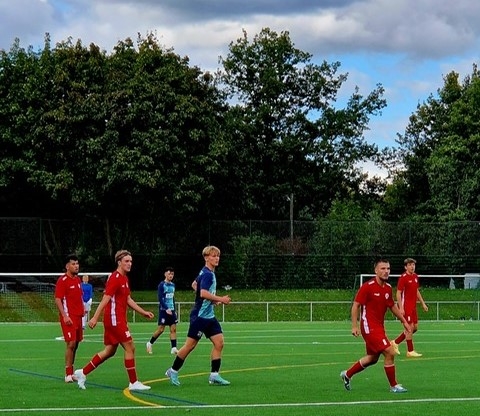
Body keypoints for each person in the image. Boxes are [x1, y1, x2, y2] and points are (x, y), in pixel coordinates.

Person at [74, 250, 155, 391]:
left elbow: (128, 299)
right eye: (126, 261)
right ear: (119, 262)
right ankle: (133, 382)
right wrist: (95, 317)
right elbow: (105, 298)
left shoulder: (124, 278)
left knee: (109, 351)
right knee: (130, 346)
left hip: (118, 319)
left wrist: (143, 312)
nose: (130, 264)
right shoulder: (115, 278)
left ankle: (83, 372)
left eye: (131, 261)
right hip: (114, 320)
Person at [340, 258, 412, 393]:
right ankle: (394, 386)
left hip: (379, 327)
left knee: (372, 358)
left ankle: (347, 375)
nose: (386, 271)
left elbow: (392, 306)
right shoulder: (368, 286)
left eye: (388, 269)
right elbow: (356, 306)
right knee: (390, 351)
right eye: (383, 268)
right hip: (369, 327)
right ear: (376, 270)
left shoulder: (388, 288)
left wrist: (404, 321)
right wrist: (354, 326)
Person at [165, 245, 231, 386]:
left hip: (209, 316)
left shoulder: (204, 272)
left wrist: (211, 301)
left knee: (219, 342)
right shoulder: (207, 274)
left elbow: (194, 284)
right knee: (190, 346)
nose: (217, 258)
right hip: (199, 316)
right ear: (206, 258)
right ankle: (173, 370)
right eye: (213, 256)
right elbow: (202, 292)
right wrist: (220, 299)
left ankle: (214, 375)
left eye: (218, 256)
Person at [54, 254, 84, 383]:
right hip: (69, 317)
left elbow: (78, 297)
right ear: (67, 266)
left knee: (76, 344)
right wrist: (65, 316)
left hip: (78, 317)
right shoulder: (62, 281)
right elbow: (58, 299)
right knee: (71, 343)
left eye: (77, 264)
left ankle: (71, 372)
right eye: (73, 264)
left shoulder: (77, 280)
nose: (76, 266)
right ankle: (67, 374)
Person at [390, 258, 428, 358]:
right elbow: (398, 293)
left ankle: (395, 342)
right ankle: (410, 351)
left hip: (413, 306)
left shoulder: (415, 276)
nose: (412, 267)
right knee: (409, 328)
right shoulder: (403, 278)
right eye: (410, 265)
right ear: (405, 267)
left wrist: (423, 303)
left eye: (413, 265)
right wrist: (401, 308)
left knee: (414, 328)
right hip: (406, 306)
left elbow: (416, 290)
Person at [146, 266, 179, 355]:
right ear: (165, 274)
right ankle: (150, 343)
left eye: (172, 274)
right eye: (169, 274)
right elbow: (160, 298)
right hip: (164, 310)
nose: (171, 276)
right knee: (161, 329)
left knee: (173, 329)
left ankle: (174, 348)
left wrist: (174, 310)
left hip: (171, 310)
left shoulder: (173, 285)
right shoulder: (161, 285)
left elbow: (172, 298)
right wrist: (166, 308)